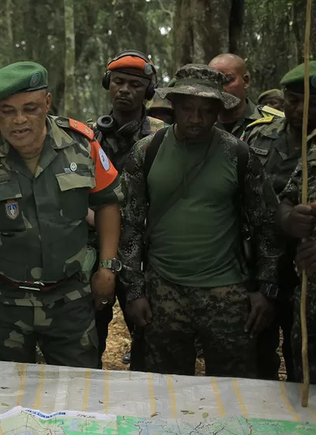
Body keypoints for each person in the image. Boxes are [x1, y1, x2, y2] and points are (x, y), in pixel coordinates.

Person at [0, 61, 123, 366]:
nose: (19, 120)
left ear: (47, 103)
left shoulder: (82, 145)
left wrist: (107, 267)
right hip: (1, 304)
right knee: (3, 392)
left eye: (30, 108)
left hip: (69, 300)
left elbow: (108, 204)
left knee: (79, 391)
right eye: (7, 110)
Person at [119, 64, 281, 378]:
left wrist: (266, 288)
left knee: (235, 389)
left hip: (226, 294)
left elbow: (266, 224)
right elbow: (131, 225)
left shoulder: (240, 155)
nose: (196, 118)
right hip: (163, 292)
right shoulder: (146, 152)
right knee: (164, 388)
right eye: (188, 108)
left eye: (207, 110)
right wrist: (134, 292)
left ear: (219, 111)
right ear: (174, 107)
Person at [90, 50, 165, 369]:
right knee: (90, 333)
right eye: (118, 82)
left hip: (146, 252)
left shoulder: (162, 137)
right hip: (95, 247)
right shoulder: (89, 135)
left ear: (148, 91)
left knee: (150, 338)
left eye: (135, 84)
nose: (124, 89)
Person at [271, 61, 316, 383]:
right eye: (293, 100)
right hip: (307, 295)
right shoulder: (313, 148)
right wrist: (289, 219)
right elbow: (287, 200)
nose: (300, 110)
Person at [208, 54, 276, 138]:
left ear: (246, 81)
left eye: (227, 80)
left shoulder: (274, 123)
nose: (220, 88)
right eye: (213, 82)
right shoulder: (199, 124)